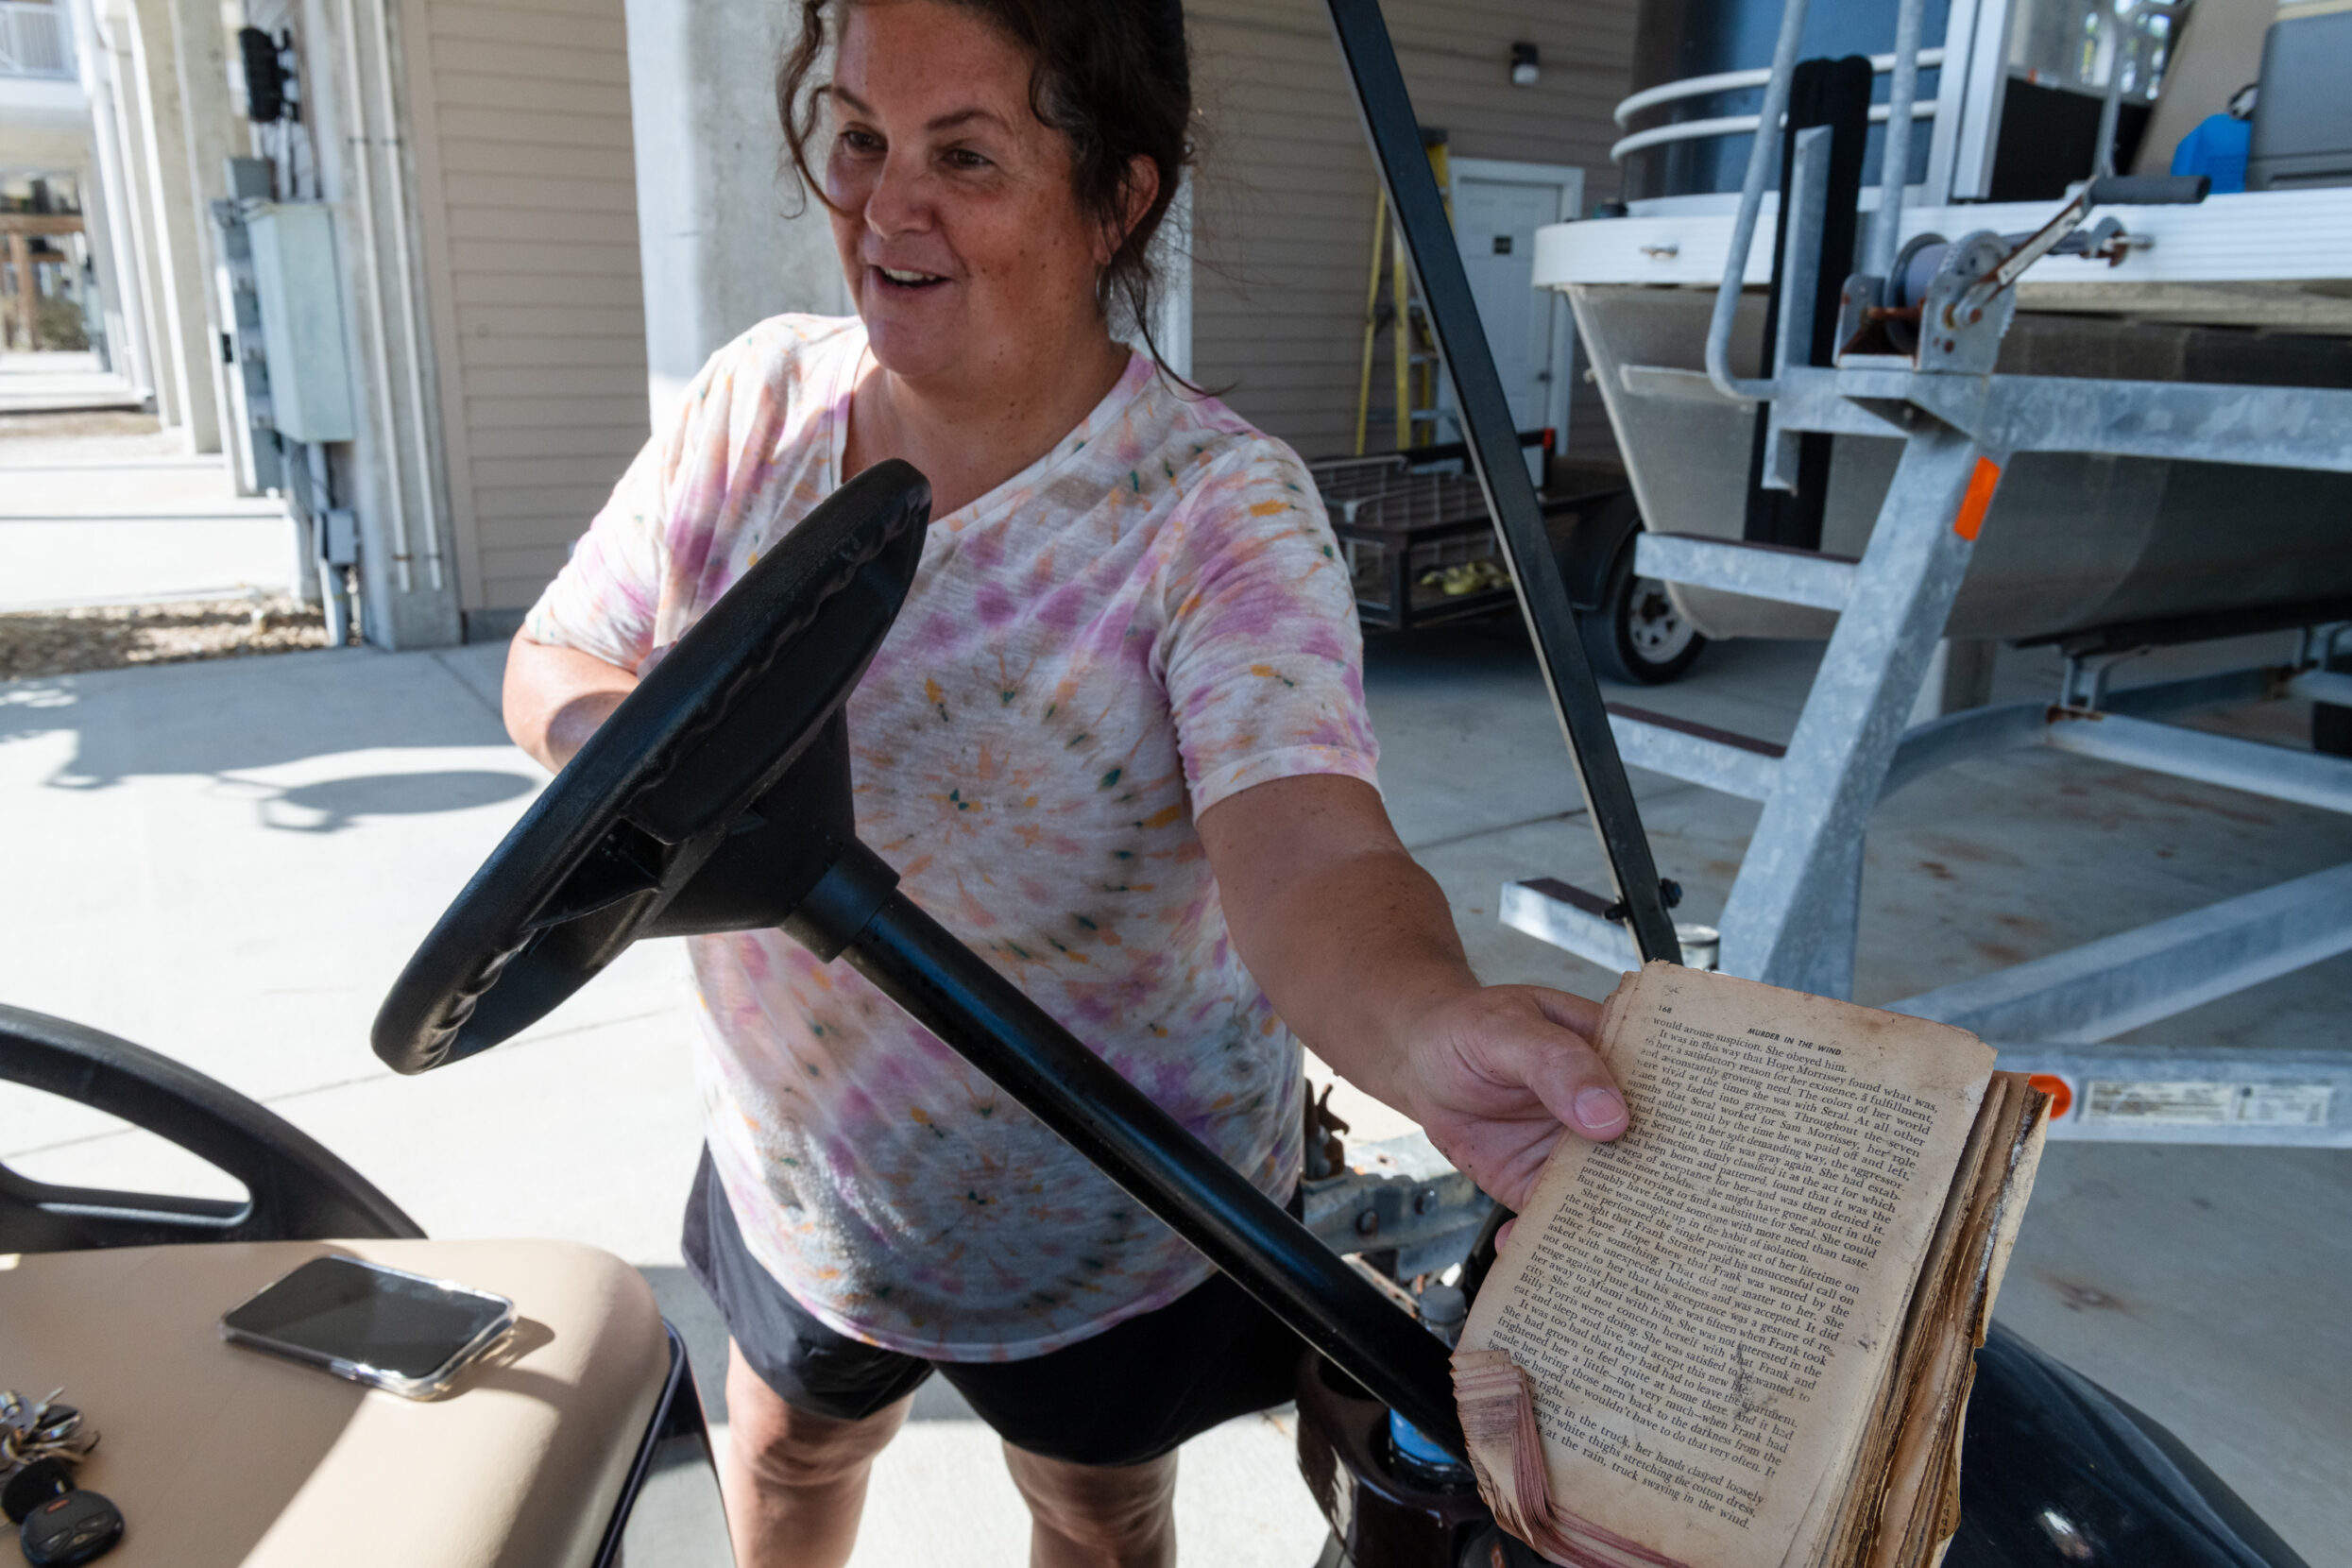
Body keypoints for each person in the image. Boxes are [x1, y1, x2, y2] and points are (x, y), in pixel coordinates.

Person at [503, 2, 1628, 1563]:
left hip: (1112, 1198)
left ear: (1118, 197)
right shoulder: (750, 407)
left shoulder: (1214, 515)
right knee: (784, 1460)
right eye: (860, 141)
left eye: (965, 155)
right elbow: (559, 657)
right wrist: (647, 776)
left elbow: (1306, 846)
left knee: (1095, 1516)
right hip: (804, 1168)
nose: (888, 208)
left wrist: (1427, 1022)